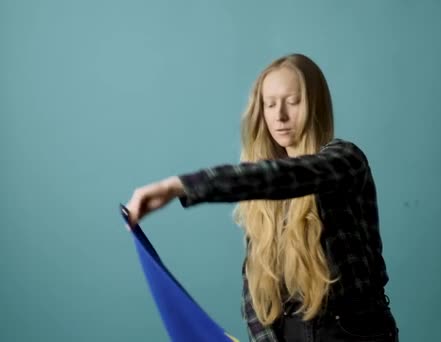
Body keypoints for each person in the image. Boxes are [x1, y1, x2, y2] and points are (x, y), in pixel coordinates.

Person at [125, 53, 399, 342]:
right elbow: (255, 290)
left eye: (293, 102)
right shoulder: (262, 196)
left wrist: (178, 186)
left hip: (350, 333)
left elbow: (290, 176)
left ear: (316, 104)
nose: (279, 115)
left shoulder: (345, 161)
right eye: (269, 104)